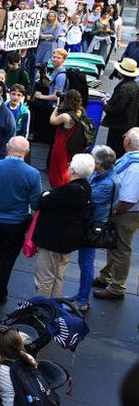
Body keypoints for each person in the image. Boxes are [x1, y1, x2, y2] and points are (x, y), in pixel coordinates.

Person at [0, 137, 42, 304]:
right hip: (16, 225)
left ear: (7, 148)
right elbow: (35, 203)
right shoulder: (33, 174)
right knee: (7, 261)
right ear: (26, 152)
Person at [33, 153, 94, 299]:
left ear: (73, 170)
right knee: (58, 276)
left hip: (53, 240)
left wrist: (46, 194)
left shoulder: (69, 190)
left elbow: (42, 201)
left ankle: (41, 310)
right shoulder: (85, 187)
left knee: (44, 277)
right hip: (68, 239)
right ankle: (55, 307)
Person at [94, 128, 139, 301]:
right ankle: (107, 277)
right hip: (124, 211)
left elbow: (129, 199)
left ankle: (116, 287)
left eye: (125, 136)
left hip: (126, 213)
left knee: (121, 250)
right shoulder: (131, 159)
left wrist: (113, 210)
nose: (123, 138)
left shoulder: (135, 166)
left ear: (128, 142)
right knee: (113, 245)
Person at [74, 146, 117, 312]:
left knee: (86, 262)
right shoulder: (102, 176)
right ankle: (81, 296)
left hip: (91, 227)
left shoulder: (107, 183)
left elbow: (87, 199)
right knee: (85, 261)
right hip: (89, 223)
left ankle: (83, 299)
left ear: (98, 163)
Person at [48, 89, 84, 188]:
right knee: (65, 169)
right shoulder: (80, 111)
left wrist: (57, 107)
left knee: (57, 170)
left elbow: (52, 121)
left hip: (61, 145)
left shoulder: (66, 116)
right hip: (71, 145)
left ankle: (57, 188)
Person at [103, 58, 139, 158]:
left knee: (114, 151)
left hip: (119, 126)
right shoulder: (134, 86)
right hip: (129, 124)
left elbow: (116, 109)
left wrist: (105, 105)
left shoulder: (125, 88)